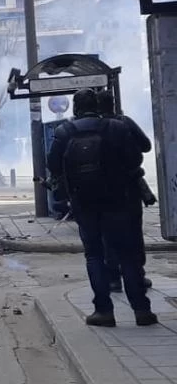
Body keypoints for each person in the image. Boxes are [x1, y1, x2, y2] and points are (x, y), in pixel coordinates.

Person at [48, 88, 155, 328]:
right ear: (97, 106)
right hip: (119, 202)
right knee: (128, 255)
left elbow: (52, 164)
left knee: (94, 255)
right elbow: (135, 160)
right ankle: (141, 310)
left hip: (85, 205)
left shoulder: (64, 131)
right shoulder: (117, 127)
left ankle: (104, 311)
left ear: (75, 107)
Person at [95, 89, 155, 293]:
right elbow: (146, 146)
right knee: (133, 233)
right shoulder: (125, 122)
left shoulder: (93, 127)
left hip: (103, 190)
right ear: (113, 104)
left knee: (107, 234)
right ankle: (138, 275)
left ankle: (113, 278)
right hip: (129, 188)